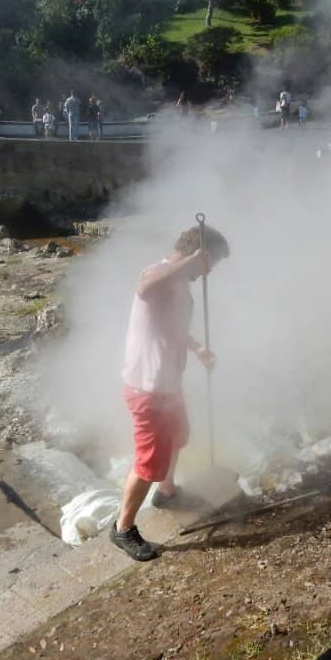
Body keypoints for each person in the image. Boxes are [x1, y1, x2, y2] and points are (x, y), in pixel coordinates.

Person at [110, 225, 231, 561]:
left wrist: (197, 348)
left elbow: (171, 325)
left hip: (168, 386)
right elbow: (145, 289)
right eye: (211, 262)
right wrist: (190, 261)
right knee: (148, 463)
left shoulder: (177, 283)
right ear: (198, 255)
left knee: (178, 437)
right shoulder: (158, 273)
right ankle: (122, 529)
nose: (211, 270)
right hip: (147, 389)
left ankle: (167, 493)